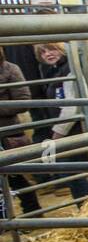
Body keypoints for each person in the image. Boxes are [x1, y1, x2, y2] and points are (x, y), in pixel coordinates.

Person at [31, 43, 88, 205]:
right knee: (74, 172)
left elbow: (72, 107)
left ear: (61, 48)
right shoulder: (54, 71)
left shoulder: (69, 69)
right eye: (43, 52)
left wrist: (57, 133)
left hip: (73, 130)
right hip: (68, 130)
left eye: (51, 49)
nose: (47, 54)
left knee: (73, 173)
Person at [0, 50, 44, 218]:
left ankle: (32, 211)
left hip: (7, 131)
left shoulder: (10, 69)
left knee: (15, 175)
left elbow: (23, 100)